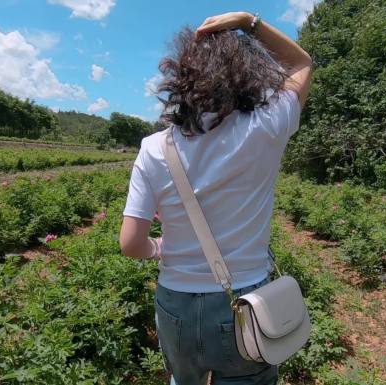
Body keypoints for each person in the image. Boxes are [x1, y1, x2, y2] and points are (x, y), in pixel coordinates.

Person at [119, 11, 313, 385]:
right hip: (245, 302)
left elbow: (130, 244)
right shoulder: (266, 128)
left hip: (176, 301)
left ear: (181, 76)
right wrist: (249, 23)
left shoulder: (154, 148)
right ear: (248, 75)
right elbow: (301, 62)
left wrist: (159, 248)